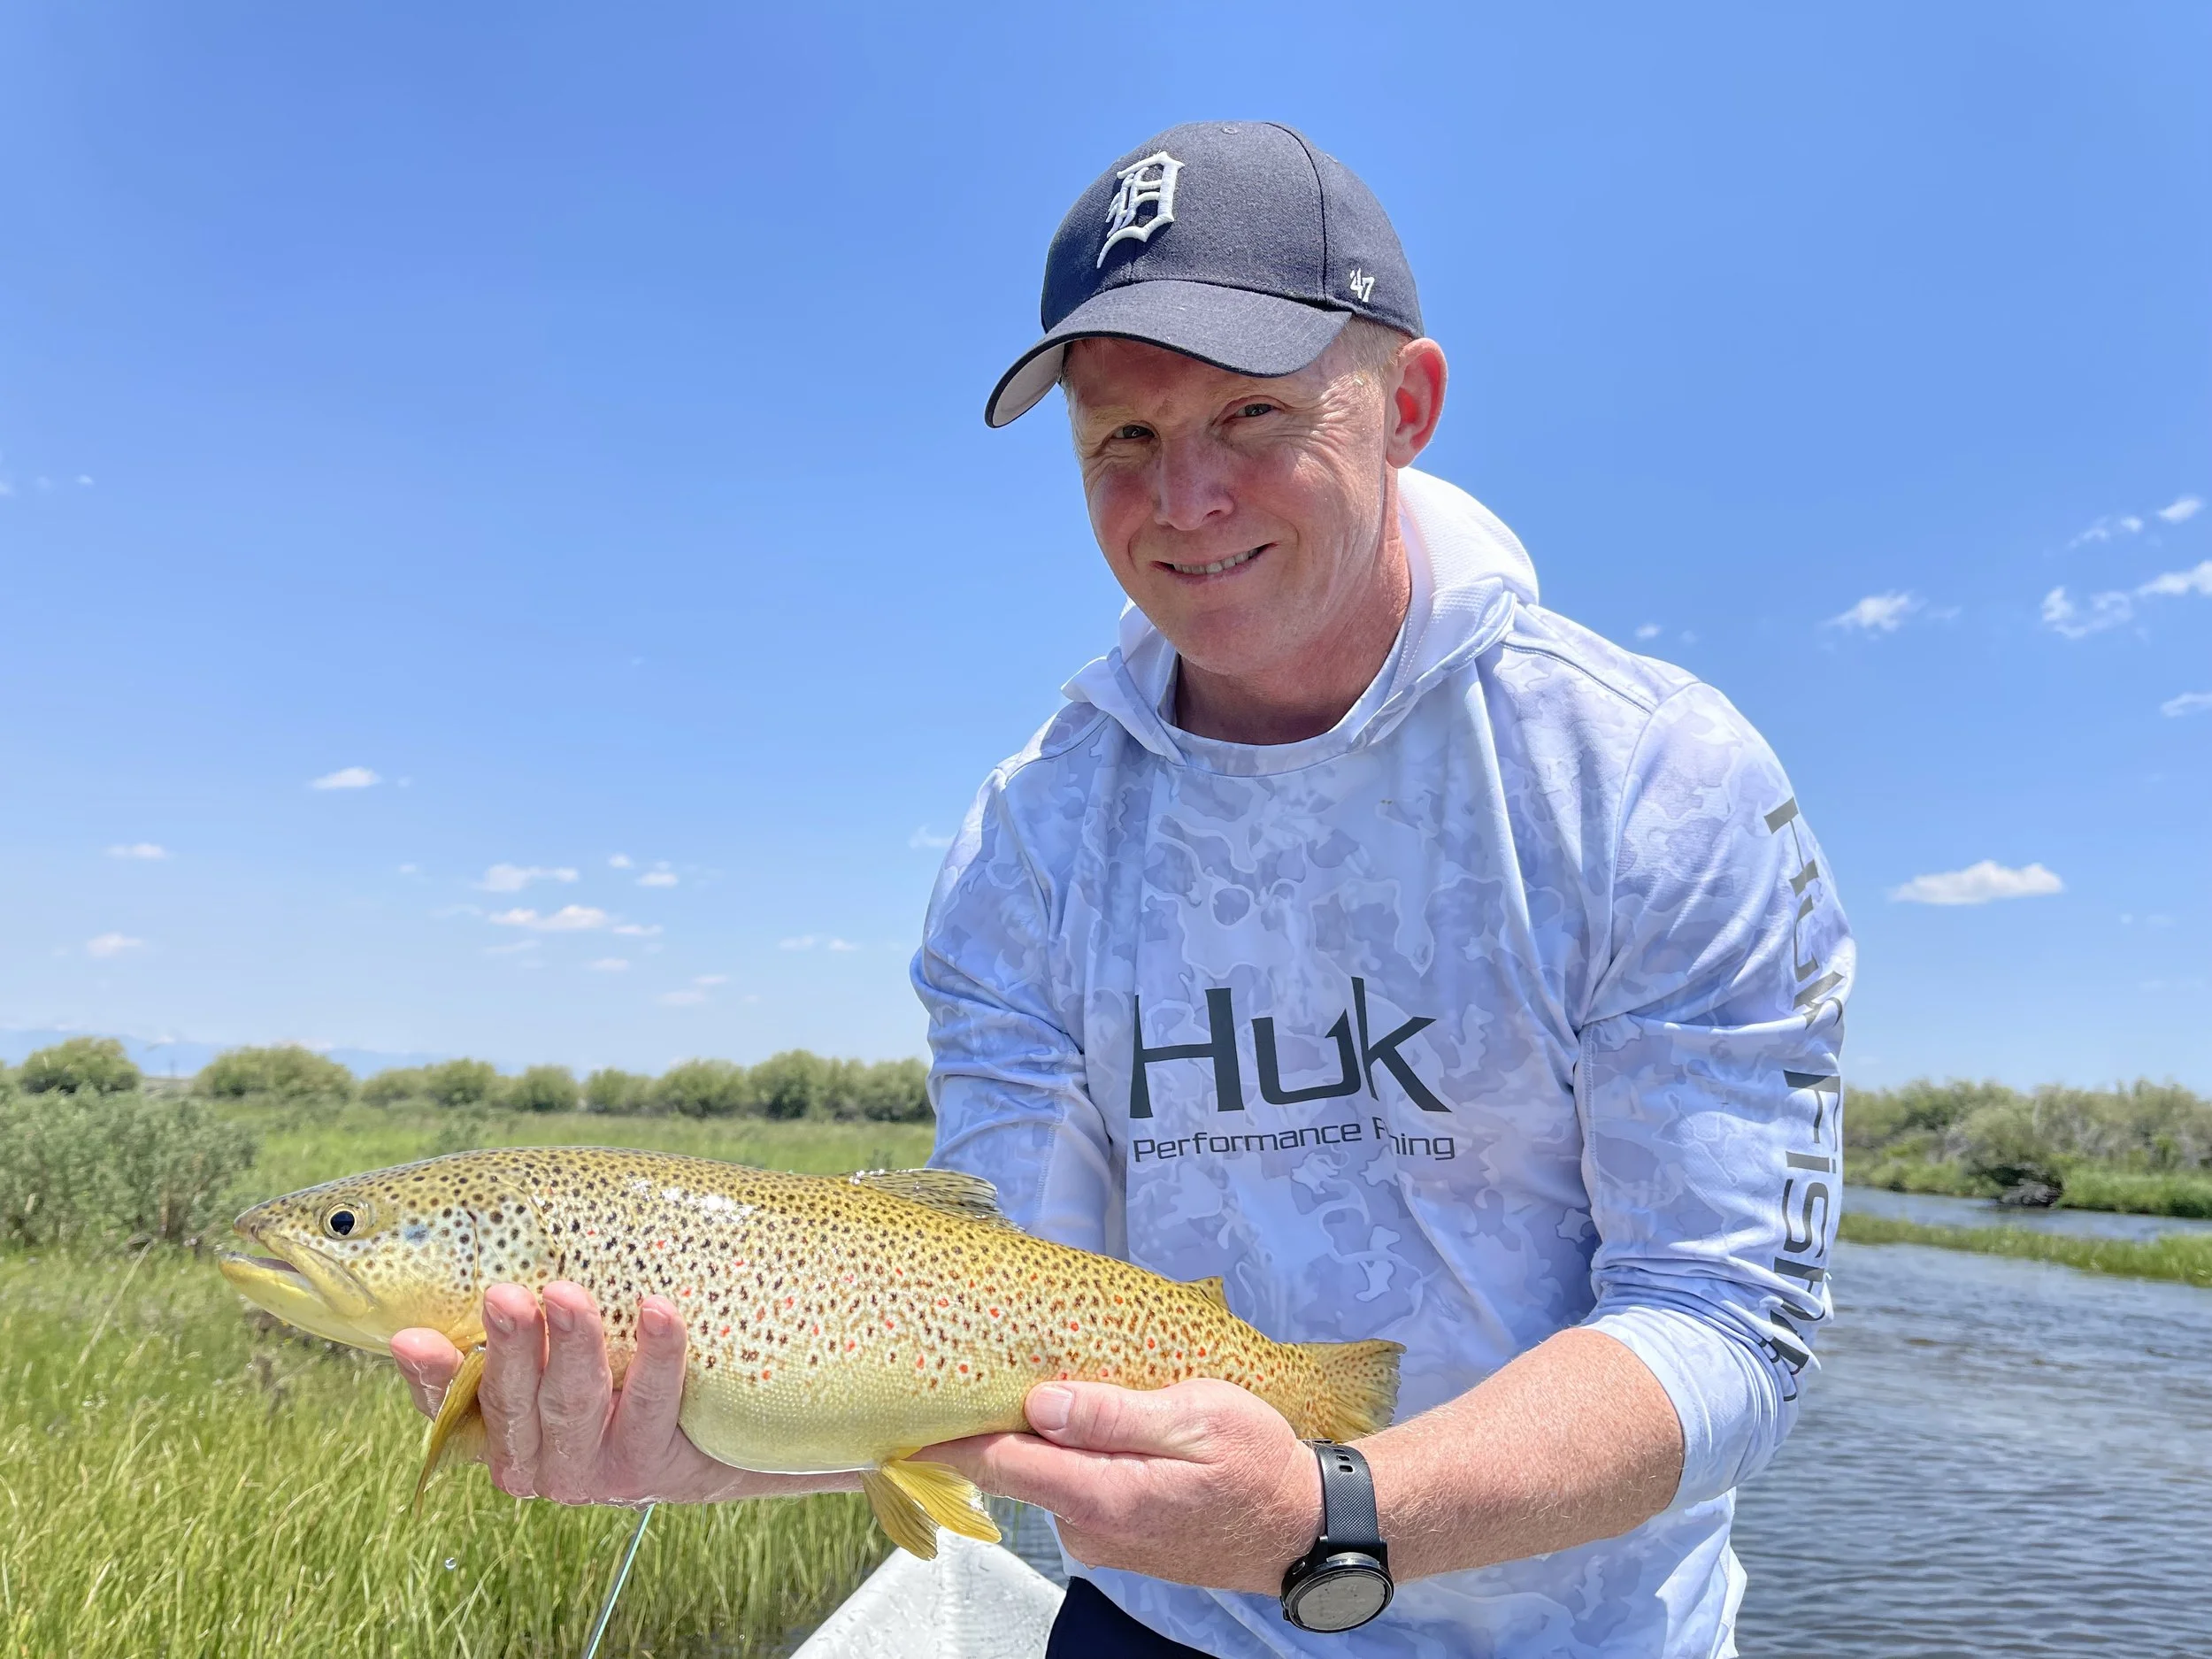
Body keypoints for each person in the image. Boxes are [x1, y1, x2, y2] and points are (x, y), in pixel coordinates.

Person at [393, 122, 1853, 1657]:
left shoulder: (1654, 782)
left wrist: (1335, 1513)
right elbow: (983, 1304)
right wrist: (732, 1432)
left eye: (1252, 412)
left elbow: (1728, 1321)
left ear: (1407, 406)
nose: (1187, 496)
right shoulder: (1029, 844)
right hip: (1163, 1622)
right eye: (1124, 440)